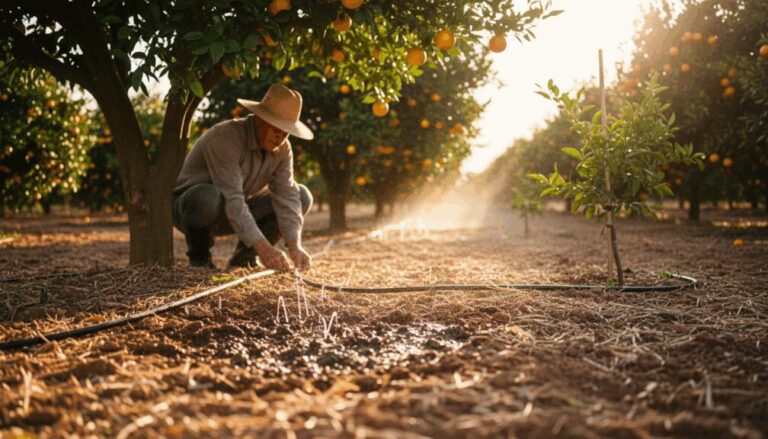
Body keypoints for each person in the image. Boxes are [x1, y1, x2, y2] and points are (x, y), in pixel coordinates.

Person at [173, 84, 314, 271]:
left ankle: (245, 257)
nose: (281, 137)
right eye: (277, 128)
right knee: (207, 195)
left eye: (286, 131)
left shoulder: (283, 149)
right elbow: (232, 198)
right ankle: (200, 259)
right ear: (259, 119)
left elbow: (287, 195)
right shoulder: (225, 138)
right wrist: (265, 248)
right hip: (192, 209)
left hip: (234, 209)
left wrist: (295, 245)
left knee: (301, 195)